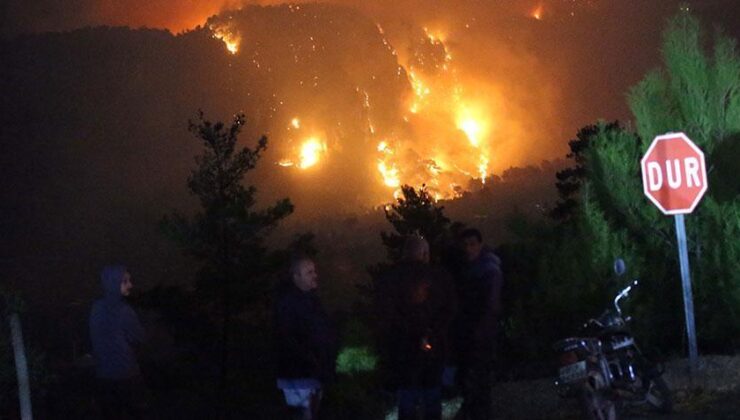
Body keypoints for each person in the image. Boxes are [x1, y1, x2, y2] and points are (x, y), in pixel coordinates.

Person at [377, 235, 456, 420]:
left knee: (406, 398)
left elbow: (384, 314)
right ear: (425, 253)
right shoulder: (440, 276)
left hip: (401, 351)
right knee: (432, 397)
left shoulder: (389, 278)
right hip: (433, 350)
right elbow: (450, 310)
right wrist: (431, 333)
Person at [275, 255, 337, 419]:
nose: (315, 275)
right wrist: (312, 361)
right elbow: (289, 339)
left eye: (314, 271)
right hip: (299, 375)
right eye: (309, 272)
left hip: (312, 374)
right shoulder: (289, 304)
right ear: (297, 277)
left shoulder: (311, 301)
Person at [452, 228, 504, 420]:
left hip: (482, 335)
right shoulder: (469, 269)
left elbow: (491, 305)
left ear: (480, 245)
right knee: (470, 379)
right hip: (470, 333)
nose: (468, 249)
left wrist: (480, 331)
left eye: (472, 244)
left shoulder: (489, 270)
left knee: (481, 380)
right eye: (465, 245)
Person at [89, 265, 146, 419]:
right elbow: (140, 337)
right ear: (114, 283)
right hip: (127, 375)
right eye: (125, 281)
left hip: (103, 376)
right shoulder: (124, 310)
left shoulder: (96, 308)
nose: (130, 285)